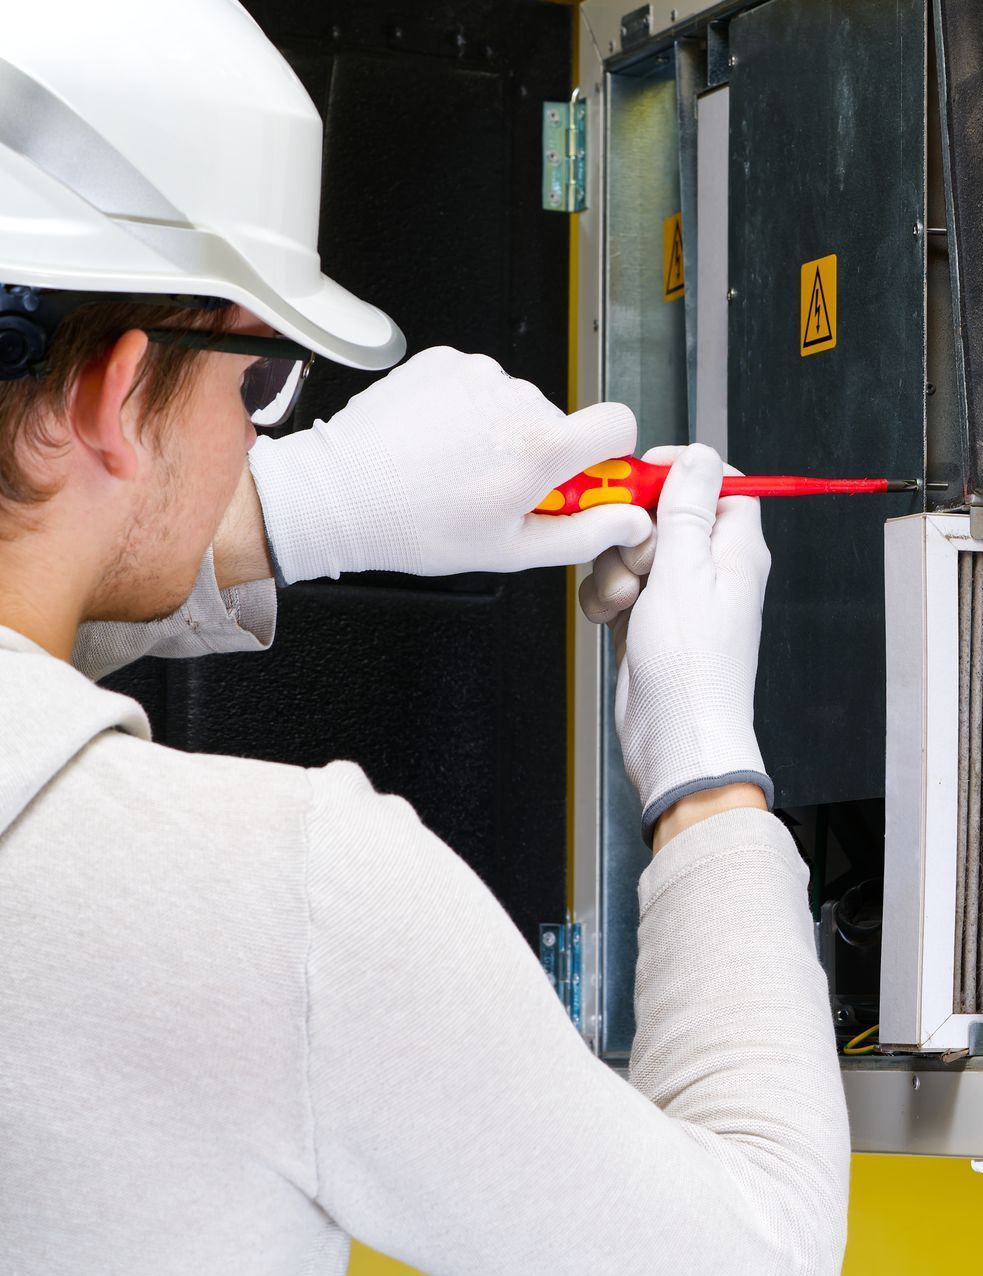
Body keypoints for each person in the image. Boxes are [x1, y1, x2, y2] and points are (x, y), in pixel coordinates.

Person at [0, 3, 849, 1274]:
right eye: (258, 388)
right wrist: (707, 781)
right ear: (121, 390)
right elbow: (762, 1248)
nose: (256, 436)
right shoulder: (289, 907)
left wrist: (306, 506)